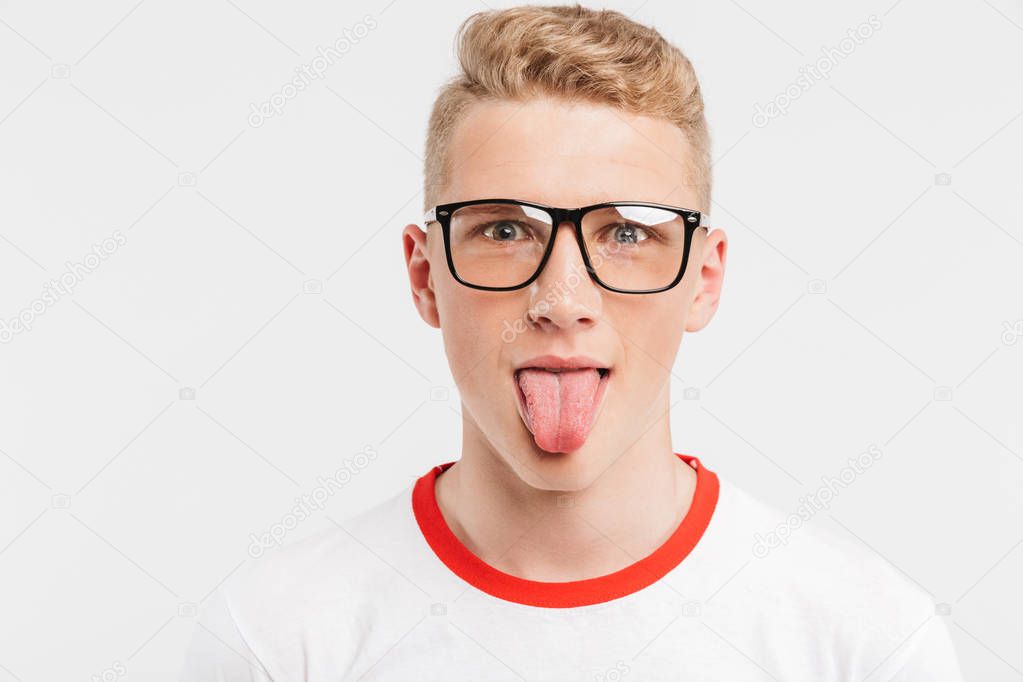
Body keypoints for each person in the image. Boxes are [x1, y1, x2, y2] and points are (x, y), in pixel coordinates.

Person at [180, 5, 965, 679]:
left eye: (624, 232)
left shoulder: (865, 644)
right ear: (424, 276)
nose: (561, 300)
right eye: (504, 229)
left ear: (703, 279)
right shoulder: (278, 639)